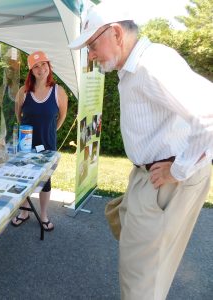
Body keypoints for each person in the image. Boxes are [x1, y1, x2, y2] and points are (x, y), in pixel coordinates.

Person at [68, 1, 213, 299]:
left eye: (93, 46)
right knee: (120, 220)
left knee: (141, 279)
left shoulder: (152, 64)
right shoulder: (133, 66)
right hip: (148, 173)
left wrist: (178, 169)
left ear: (117, 34)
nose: (91, 56)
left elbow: (208, 113)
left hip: (165, 176)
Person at [11, 51, 68, 231]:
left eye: (43, 64)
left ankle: (43, 215)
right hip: (26, 146)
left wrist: (50, 131)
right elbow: (18, 116)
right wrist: (26, 134)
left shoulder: (58, 92)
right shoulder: (23, 91)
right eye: (36, 66)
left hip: (47, 145)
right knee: (23, 178)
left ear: (49, 66)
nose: (40, 68)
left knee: (45, 181)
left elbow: (62, 117)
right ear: (31, 71)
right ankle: (25, 211)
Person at [0, 57, 20, 144]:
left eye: (11, 69)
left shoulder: (21, 88)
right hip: (7, 136)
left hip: (21, 136)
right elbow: (1, 104)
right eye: (7, 69)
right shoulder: (4, 88)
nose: (9, 72)